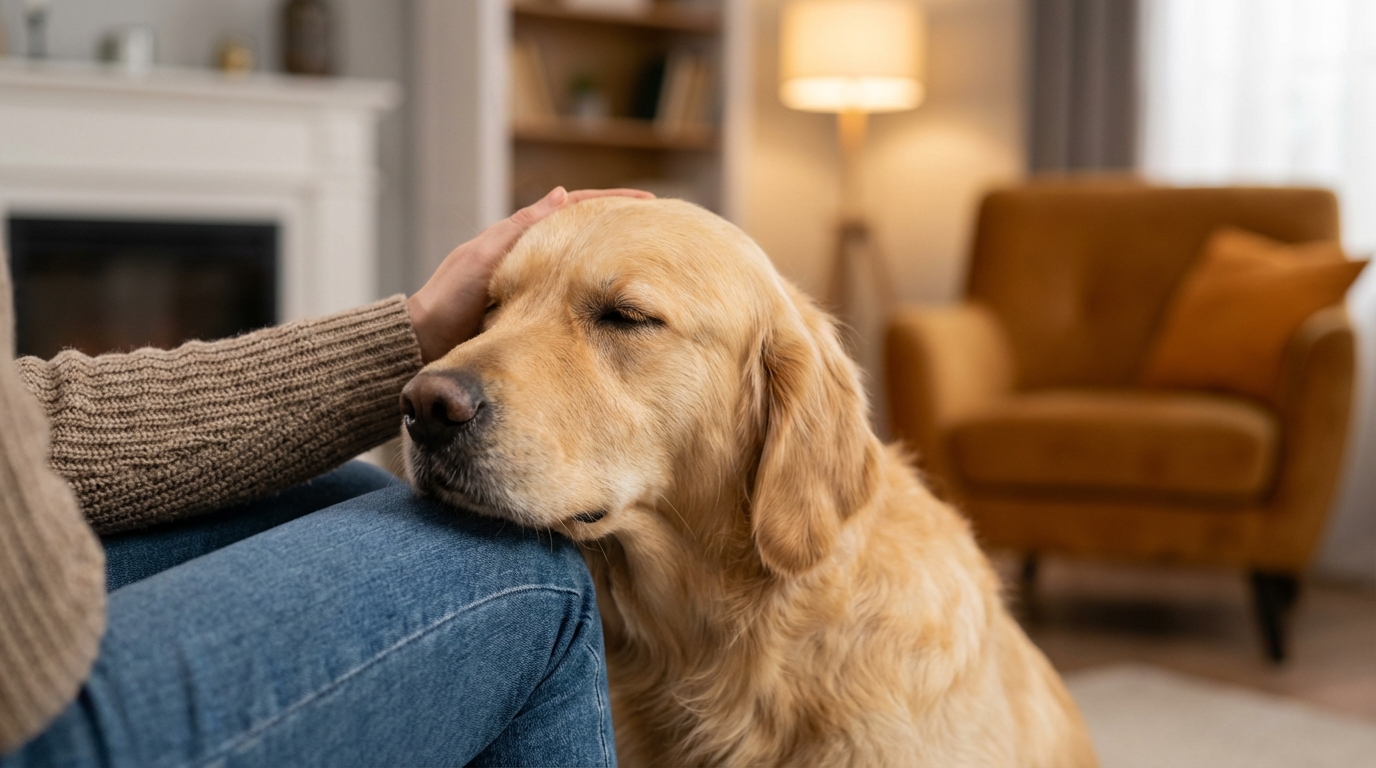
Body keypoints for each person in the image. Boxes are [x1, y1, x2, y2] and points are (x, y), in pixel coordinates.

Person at [0, 186, 650, 767]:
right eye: (498, 304)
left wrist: (416, 328)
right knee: (527, 577)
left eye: (623, 316)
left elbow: (26, 412)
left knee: (347, 497)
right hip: (22, 703)